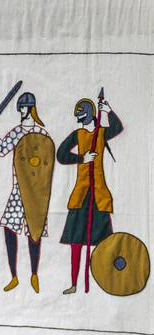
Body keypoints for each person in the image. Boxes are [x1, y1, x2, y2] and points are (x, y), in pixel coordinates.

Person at [0, 92, 52, 293]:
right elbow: (2, 149)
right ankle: (14, 276)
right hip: (18, 190)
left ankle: (34, 274)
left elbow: (46, 164)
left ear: (30, 108)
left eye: (23, 107)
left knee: (35, 232)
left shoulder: (43, 135)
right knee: (9, 228)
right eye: (20, 108)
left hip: (37, 193)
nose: (21, 111)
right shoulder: (16, 132)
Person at [58, 97, 123, 294]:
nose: (81, 120)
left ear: (90, 114)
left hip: (99, 194)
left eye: (83, 116)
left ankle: (103, 280)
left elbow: (118, 128)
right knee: (76, 241)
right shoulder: (77, 135)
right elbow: (61, 154)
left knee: (104, 242)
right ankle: (74, 284)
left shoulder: (101, 133)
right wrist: (81, 158)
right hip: (81, 194)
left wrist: (109, 110)